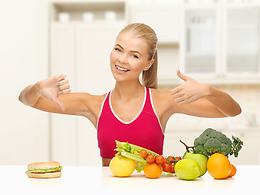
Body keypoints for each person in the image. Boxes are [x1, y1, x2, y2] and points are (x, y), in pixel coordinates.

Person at [19, 23, 242, 166]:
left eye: (134, 55)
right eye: (118, 49)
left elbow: (231, 111)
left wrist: (208, 91)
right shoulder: (94, 104)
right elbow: (28, 100)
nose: (122, 60)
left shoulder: (162, 101)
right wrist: (37, 87)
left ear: (148, 63)